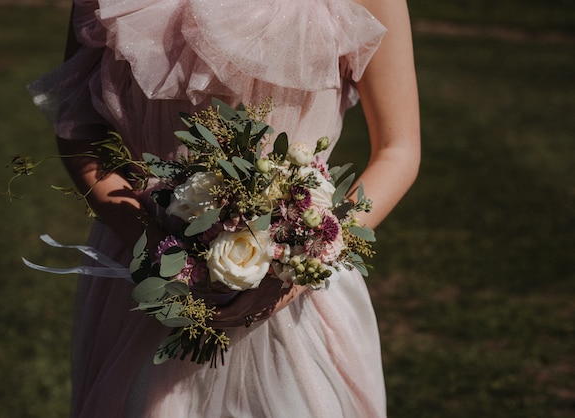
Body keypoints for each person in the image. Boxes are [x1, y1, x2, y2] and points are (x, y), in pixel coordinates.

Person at [29, 0, 420, 416]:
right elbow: (78, 131)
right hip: (146, 273)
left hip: (298, 289)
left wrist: (301, 266)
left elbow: (399, 150)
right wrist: (159, 250)